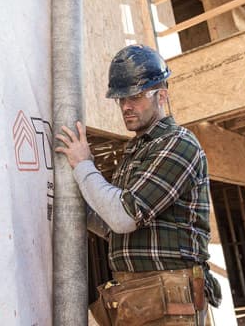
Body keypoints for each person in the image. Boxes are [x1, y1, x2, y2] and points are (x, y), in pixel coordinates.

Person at [55, 45, 220, 326]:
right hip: (140, 297)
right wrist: (70, 202)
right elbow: (111, 225)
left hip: (170, 296)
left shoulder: (177, 144)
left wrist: (84, 166)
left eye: (135, 96)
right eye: (120, 99)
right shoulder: (137, 151)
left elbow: (123, 217)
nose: (126, 106)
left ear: (162, 96)